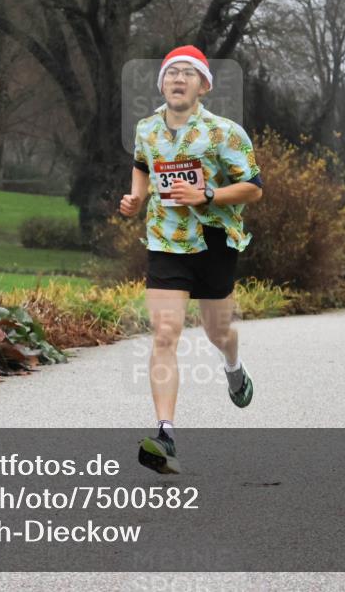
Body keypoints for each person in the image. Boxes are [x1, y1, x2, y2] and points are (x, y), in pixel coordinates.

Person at [119, 45, 263, 474]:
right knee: (165, 334)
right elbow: (142, 164)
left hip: (214, 241)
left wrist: (209, 194)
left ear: (204, 85)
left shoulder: (225, 133)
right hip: (166, 242)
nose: (178, 79)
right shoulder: (146, 128)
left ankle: (233, 368)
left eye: (188, 73)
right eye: (171, 73)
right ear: (161, 83)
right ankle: (166, 434)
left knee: (219, 332)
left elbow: (253, 188)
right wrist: (136, 198)